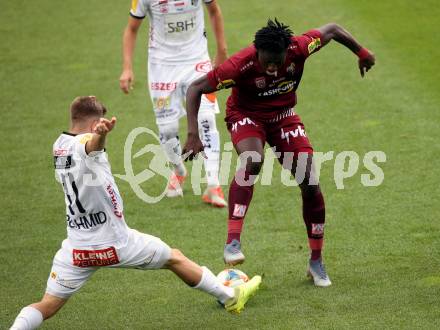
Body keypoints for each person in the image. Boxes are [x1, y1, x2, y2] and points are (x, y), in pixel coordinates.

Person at [10, 96, 261, 330]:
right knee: (174, 258)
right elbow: (89, 146)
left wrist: (95, 136)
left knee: (47, 305)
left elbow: (82, 146)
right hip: (116, 243)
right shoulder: (84, 144)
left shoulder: (59, 144)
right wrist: (100, 136)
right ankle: (230, 297)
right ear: (96, 123)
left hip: (76, 250)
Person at [183, 19, 375, 287]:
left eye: (277, 61)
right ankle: (233, 241)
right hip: (246, 115)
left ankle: (316, 261)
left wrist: (362, 52)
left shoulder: (299, 48)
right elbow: (195, 88)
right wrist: (193, 134)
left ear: (288, 51)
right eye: (267, 62)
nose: (273, 68)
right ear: (257, 53)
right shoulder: (240, 65)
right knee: (253, 160)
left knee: (310, 181)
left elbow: (331, 29)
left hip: (284, 116)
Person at [119, 0, 228, 207]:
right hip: (162, 67)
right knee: (168, 129)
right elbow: (132, 29)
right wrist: (127, 67)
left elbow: (214, 10)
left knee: (206, 119)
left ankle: (213, 186)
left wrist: (222, 50)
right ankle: (178, 171)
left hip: (197, 61)